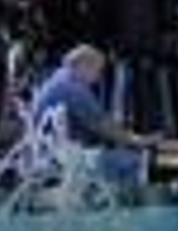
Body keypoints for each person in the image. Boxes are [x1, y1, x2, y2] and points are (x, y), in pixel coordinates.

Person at [29, 44, 157, 184]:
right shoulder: (73, 88)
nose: (98, 78)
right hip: (60, 161)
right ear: (83, 65)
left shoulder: (57, 79)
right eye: (97, 70)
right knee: (134, 161)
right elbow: (103, 125)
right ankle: (128, 203)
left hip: (48, 155)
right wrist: (138, 140)